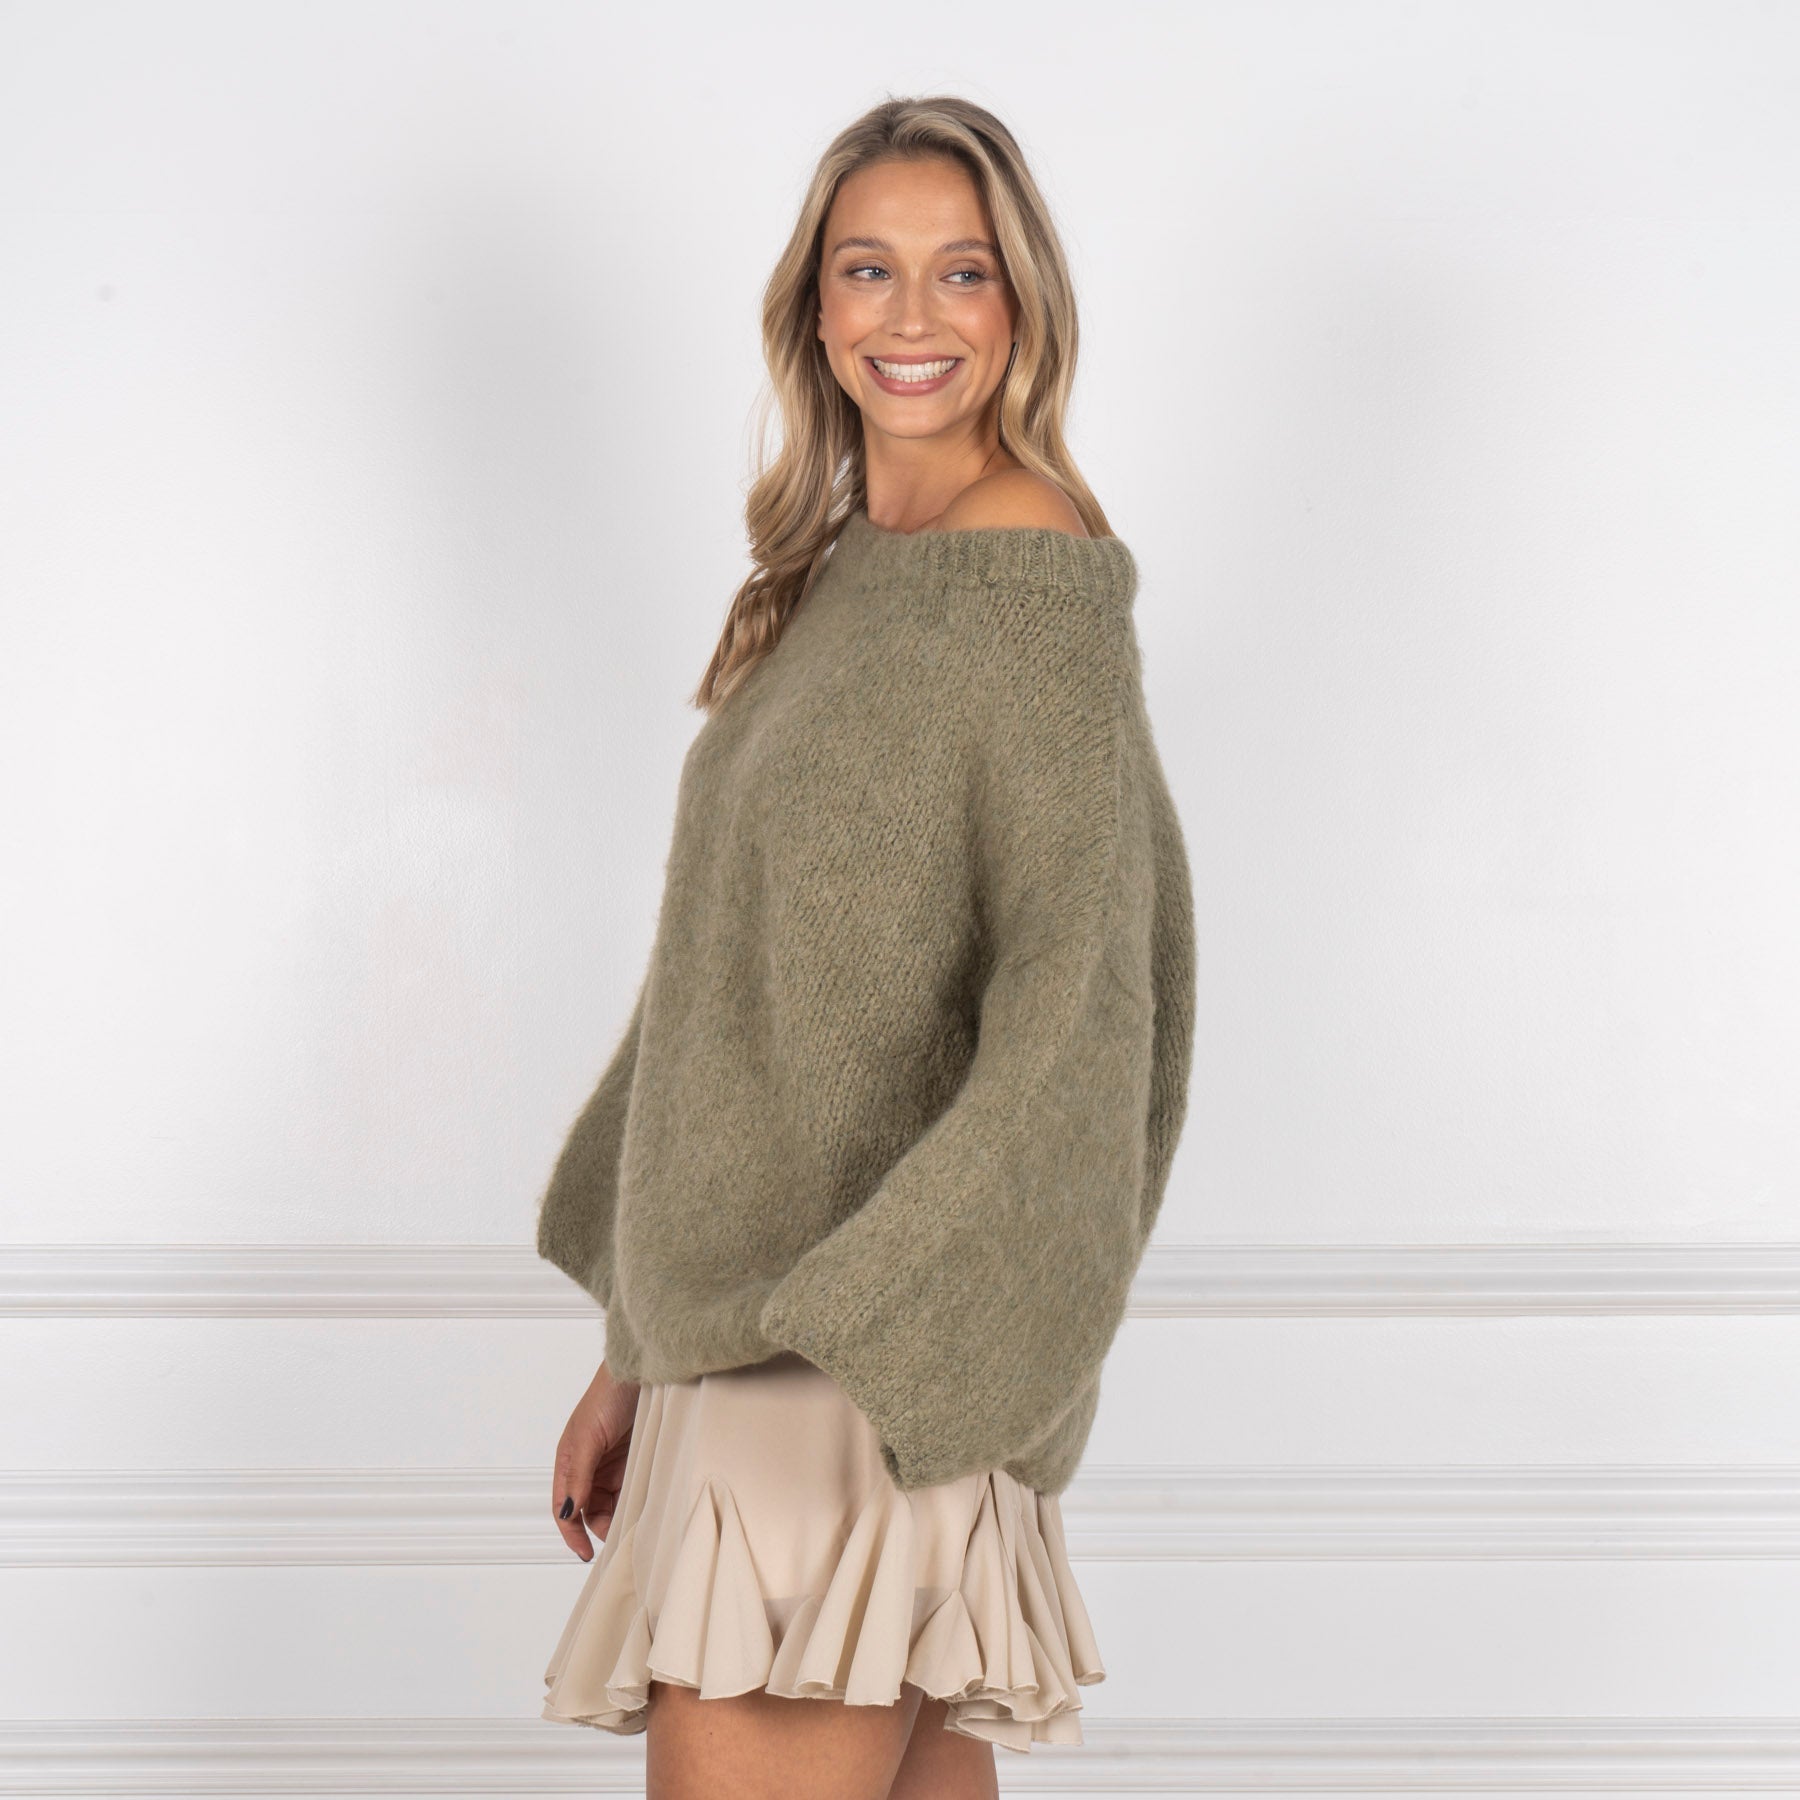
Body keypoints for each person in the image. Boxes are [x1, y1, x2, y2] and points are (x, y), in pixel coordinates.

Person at [533, 94, 1197, 1800]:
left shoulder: (1032, 577)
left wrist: (865, 1329)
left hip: (848, 1373)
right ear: (815, 308)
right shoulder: (840, 571)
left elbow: (1082, 1004)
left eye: (962, 271)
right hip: (773, 1356)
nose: (914, 315)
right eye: (868, 269)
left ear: (1021, 305)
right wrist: (639, 1350)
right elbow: (728, 985)